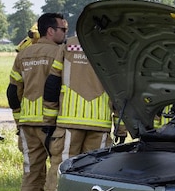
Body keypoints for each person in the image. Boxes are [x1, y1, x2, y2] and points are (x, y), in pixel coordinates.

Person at [7, 13, 67, 191]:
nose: (65, 34)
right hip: (52, 122)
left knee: (31, 171)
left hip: (27, 124)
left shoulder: (23, 55)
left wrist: (18, 120)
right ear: (50, 31)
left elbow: (13, 92)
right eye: (63, 29)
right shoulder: (61, 53)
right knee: (55, 170)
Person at [45, 35, 120, 165]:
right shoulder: (113, 46)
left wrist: (49, 122)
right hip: (100, 123)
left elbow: (53, 83)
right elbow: (120, 91)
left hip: (68, 121)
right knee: (94, 170)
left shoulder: (68, 45)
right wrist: (121, 128)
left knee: (62, 168)